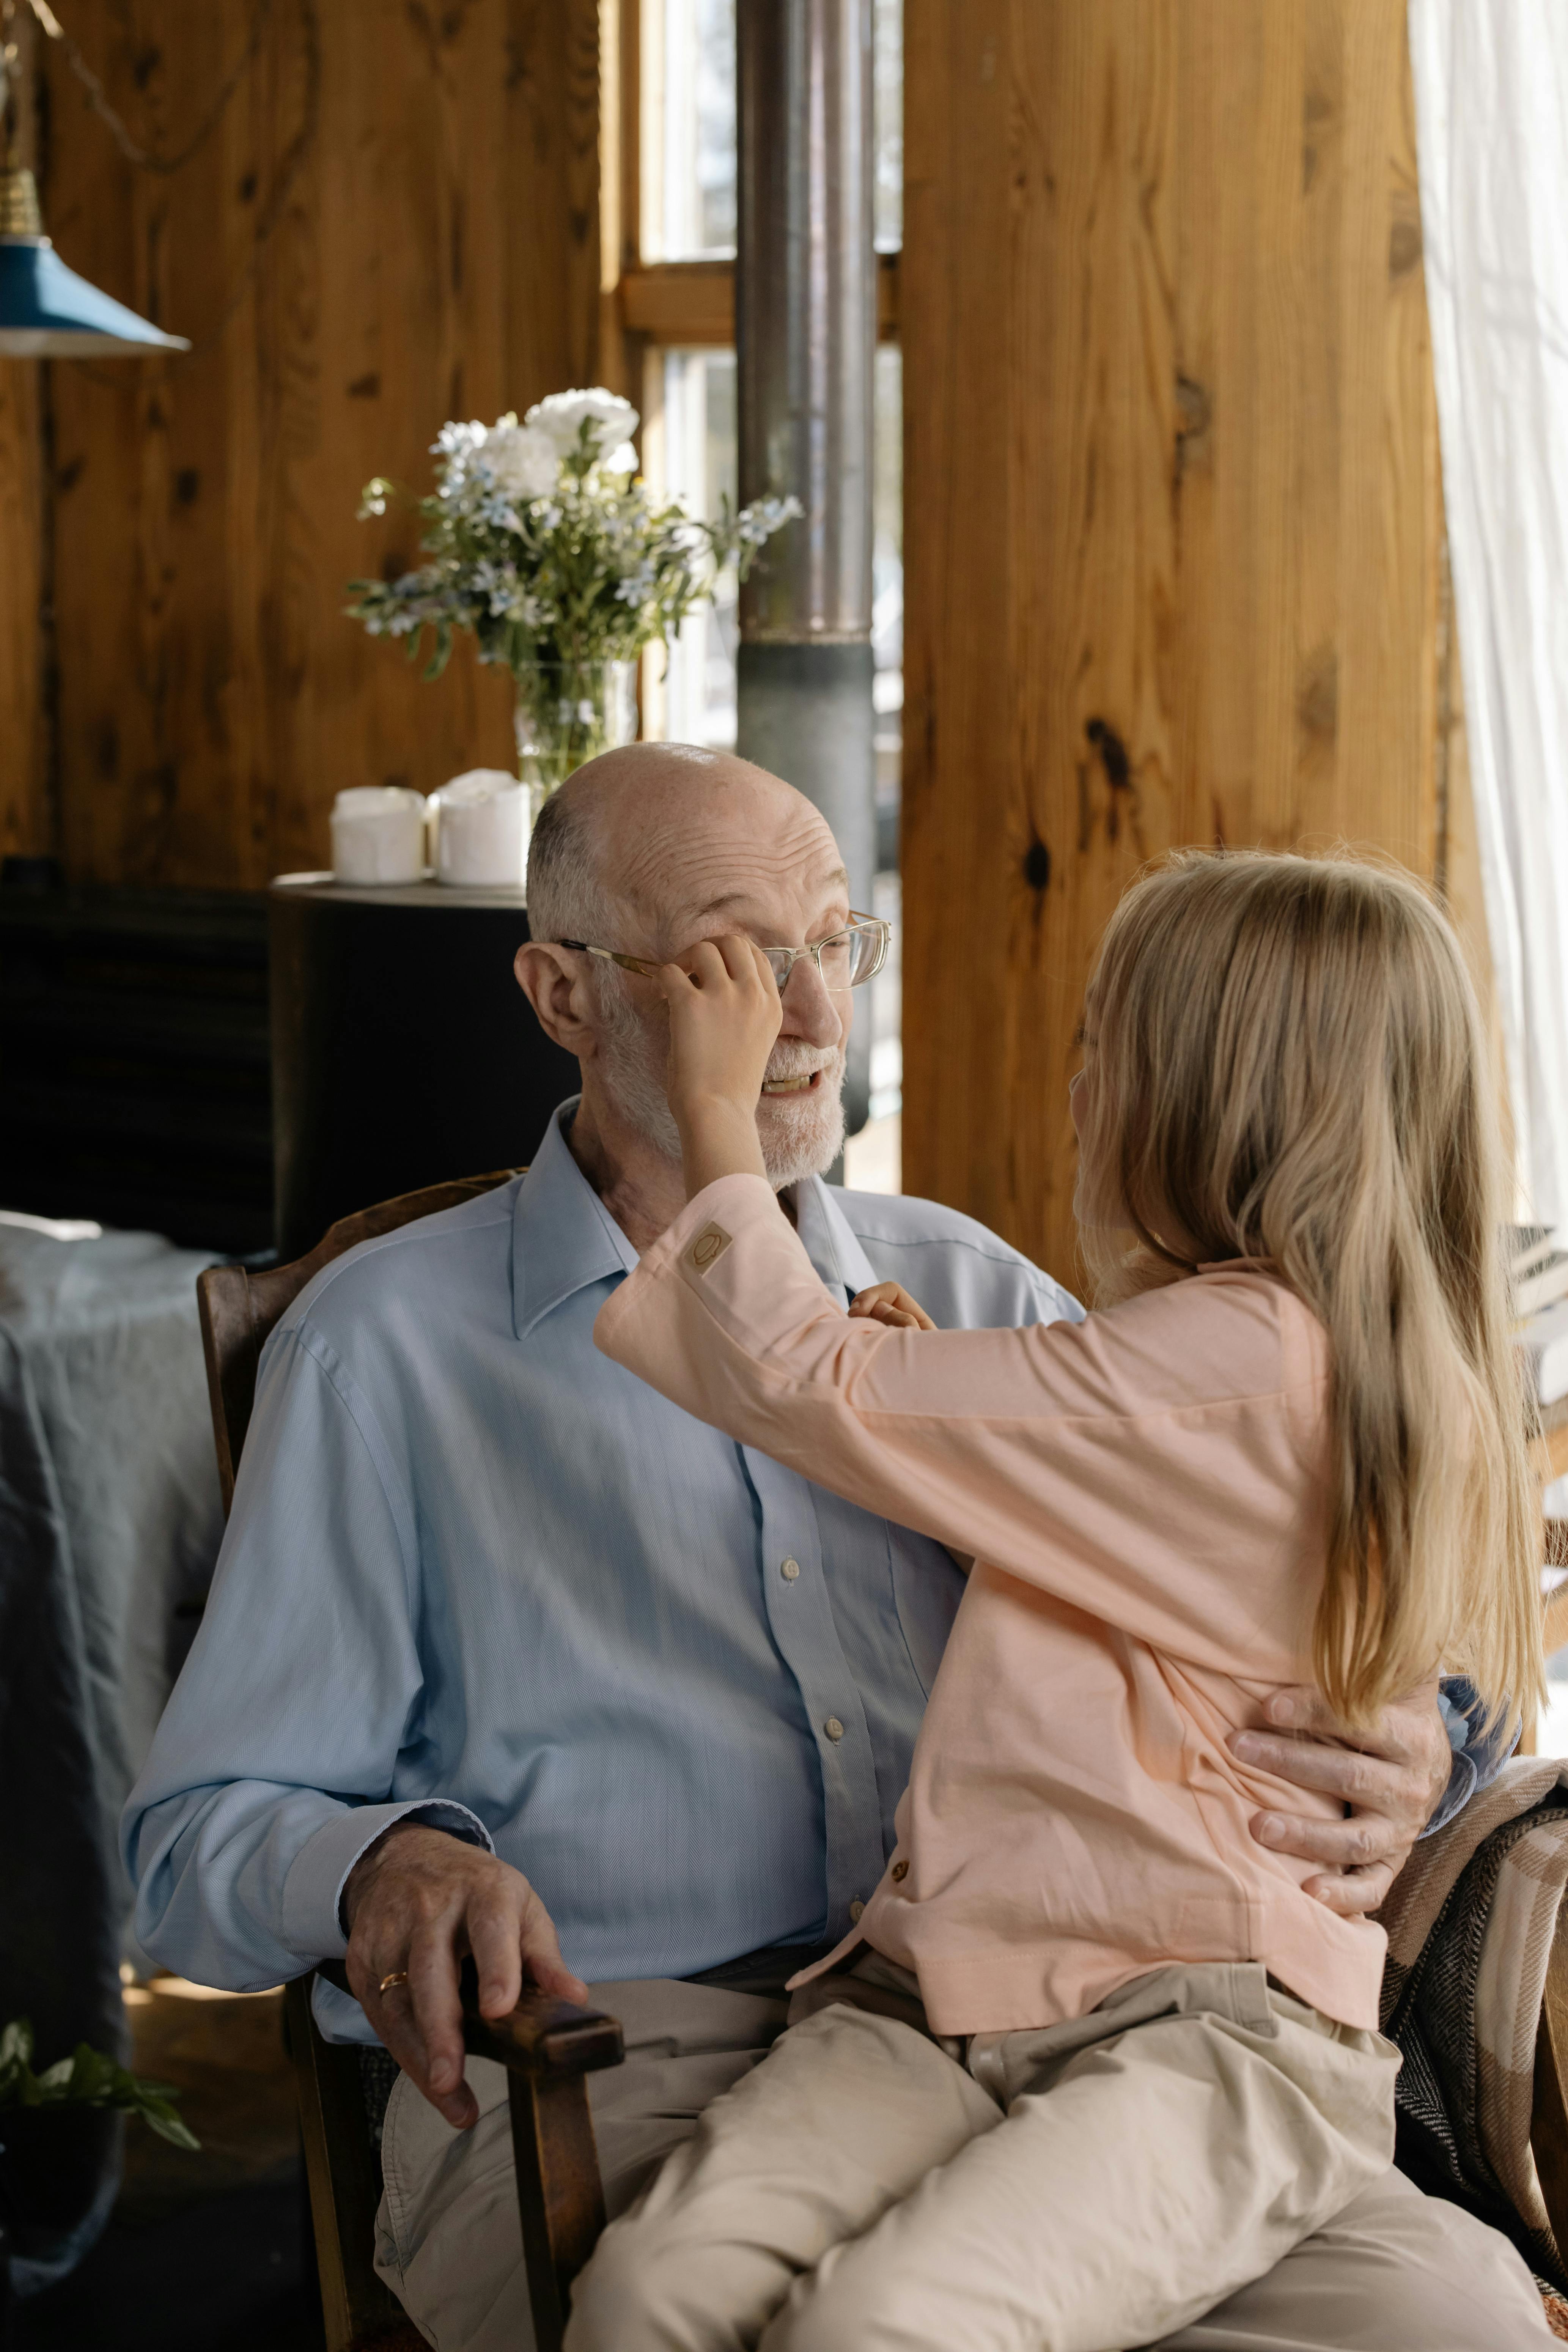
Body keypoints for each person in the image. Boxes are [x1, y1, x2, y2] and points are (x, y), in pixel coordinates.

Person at [122, 754, 1518, 2352]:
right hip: (613, 2060)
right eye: (732, 960)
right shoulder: (381, 1354)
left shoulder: (977, 1289)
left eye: (836, 944)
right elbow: (186, 1858)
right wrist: (383, 1858)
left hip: (1084, 2027)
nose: (812, 1014)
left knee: (1451, 2318)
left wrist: (1421, 1740)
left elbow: (1264, 1580)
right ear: (561, 992)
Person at [579, 849, 1554, 2352]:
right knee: (655, 2287)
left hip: (1204, 2029)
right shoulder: (1246, 1351)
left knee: (873, 2327)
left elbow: (816, 1386)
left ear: (1210, 1095)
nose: (1075, 1084)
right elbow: (1064, 1508)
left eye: (1099, 1046)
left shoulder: (1242, 1358)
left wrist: (711, 1117)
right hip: (953, 1989)